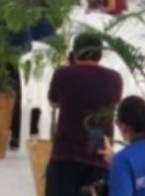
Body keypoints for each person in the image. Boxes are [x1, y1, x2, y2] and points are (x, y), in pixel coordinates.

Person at [45, 33, 123, 196]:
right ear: (100, 53)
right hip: (99, 155)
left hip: (65, 155)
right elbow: (113, 102)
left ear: (75, 53)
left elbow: (53, 102)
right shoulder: (114, 78)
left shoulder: (63, 74)